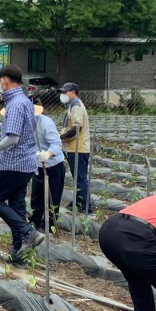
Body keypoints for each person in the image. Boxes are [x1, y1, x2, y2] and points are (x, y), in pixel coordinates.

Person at [0, 64, 43, 264]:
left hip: (13, 164)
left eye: (0, 80)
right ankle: (19, 253)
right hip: (25, 164)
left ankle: (28, 233)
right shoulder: (23, 100)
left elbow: (13, 139)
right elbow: (11, 129)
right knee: (16, 208)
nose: (0, 84)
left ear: (5, 80)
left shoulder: (14, 104)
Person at [28, 101, 66, 232]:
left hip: (53, 165)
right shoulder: (25, 124)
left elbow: (57, 144)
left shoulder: (46, 123)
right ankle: (35, 221)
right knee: (36, 196)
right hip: (37, 165)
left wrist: (48, 154)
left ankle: (50, 225)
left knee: (53, 197)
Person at [58, 82, 92, 215]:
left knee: (80, 178)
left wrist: (61, 137)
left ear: (73, 92)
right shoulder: (71, 106)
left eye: (65, 92)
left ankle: (86, 206)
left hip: (78, 147)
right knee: (77, 177)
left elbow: (77, 128)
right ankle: (78, 202)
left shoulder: (76, 106)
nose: (62, 95)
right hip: (73, 147)